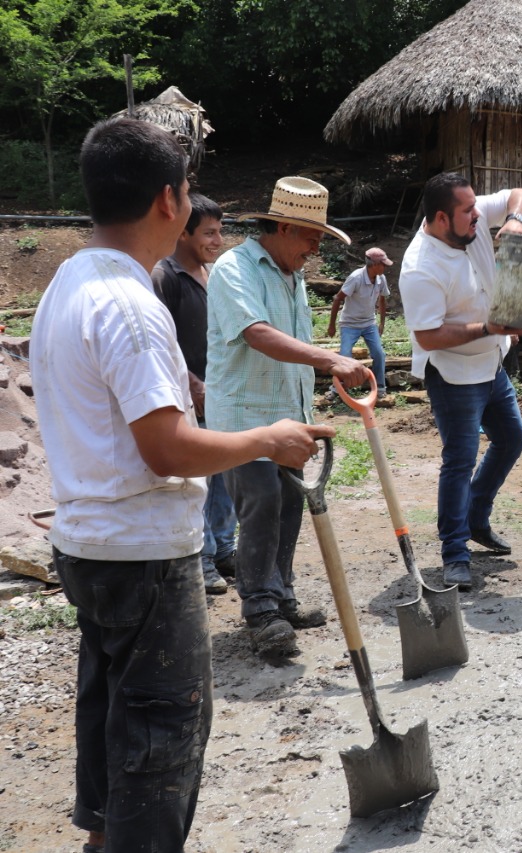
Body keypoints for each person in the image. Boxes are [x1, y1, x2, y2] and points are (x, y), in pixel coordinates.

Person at [30, 117, 332, 853]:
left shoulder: (69, 281)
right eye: (190, 190)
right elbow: (166, 448)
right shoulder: (132, 307)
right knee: (162, 737)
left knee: (110, 717)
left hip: (88, 543)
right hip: (143, 555)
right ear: (168, 200)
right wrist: (266, 439)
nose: (193, 206)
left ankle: (102, 839)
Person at [206, 176, 367, 658]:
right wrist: (330, 359)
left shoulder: (291, 277)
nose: (315, 248)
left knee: (290, 507)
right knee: (261, 505)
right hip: (246, 419)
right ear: (281, 227)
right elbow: (256, 333)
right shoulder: (234, 269)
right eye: (310, 237)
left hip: (289, 417)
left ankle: (282, 597)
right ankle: (261, 612)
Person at [400, 173, 522, 591]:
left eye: (477, 206)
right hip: (454, 374)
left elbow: (521, 194)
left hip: (492, 364)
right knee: (459, 461)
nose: (478, 215)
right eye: (467, 211)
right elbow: (428, 336)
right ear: (442, 218)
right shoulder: (420, 267)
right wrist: (490, 327)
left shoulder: (469, 222)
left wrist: (516, 219)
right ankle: (454, 554)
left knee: (512, 438)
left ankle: (476, 517)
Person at [151, 192, 238, 594]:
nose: (218, 241)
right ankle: (202, 557)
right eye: (209, 233)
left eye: (220, 232)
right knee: (197, 479)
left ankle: (224, 547)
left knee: (224, 474)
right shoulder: (164, 277)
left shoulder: (214, 274)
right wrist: (192, 382)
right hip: (189, 394)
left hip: (220, 391)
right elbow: (161, 342)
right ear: (183, 234)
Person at [326, 246, 393, 404]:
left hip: (369, 323)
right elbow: (338, 298)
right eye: (383, 264)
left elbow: (382, 299)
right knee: (345, 355)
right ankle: (336, 389)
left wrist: (381, 323)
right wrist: (331, 325)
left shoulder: (381, 279)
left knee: (379, 354)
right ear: (374, 264)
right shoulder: (356, 278)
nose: (385, 267)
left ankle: (380, 388)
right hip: (349, 324)